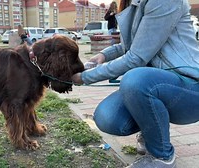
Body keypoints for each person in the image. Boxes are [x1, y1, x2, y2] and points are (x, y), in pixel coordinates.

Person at [72, 0, 199, 167]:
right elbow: (133, 45)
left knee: (134, 81)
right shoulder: (133, 3)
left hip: (188, 86)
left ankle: (162, 157)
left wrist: (85, 77)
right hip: (156, 85)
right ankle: (151, 133)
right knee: (107, 117)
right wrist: (103, 55)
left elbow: (136, 58)